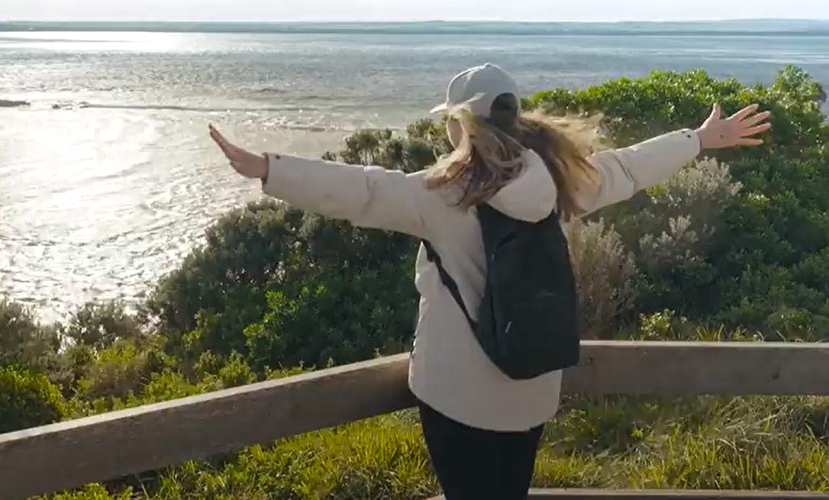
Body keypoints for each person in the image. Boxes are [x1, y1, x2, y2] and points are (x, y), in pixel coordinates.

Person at [208, 63, 772, 500]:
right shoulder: (561, 181)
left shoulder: (442, 194)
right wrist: (697, 140)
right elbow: (625, 169)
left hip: (455, 393)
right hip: (531, 388)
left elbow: (364, 190)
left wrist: (270, 169)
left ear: (461, 123)